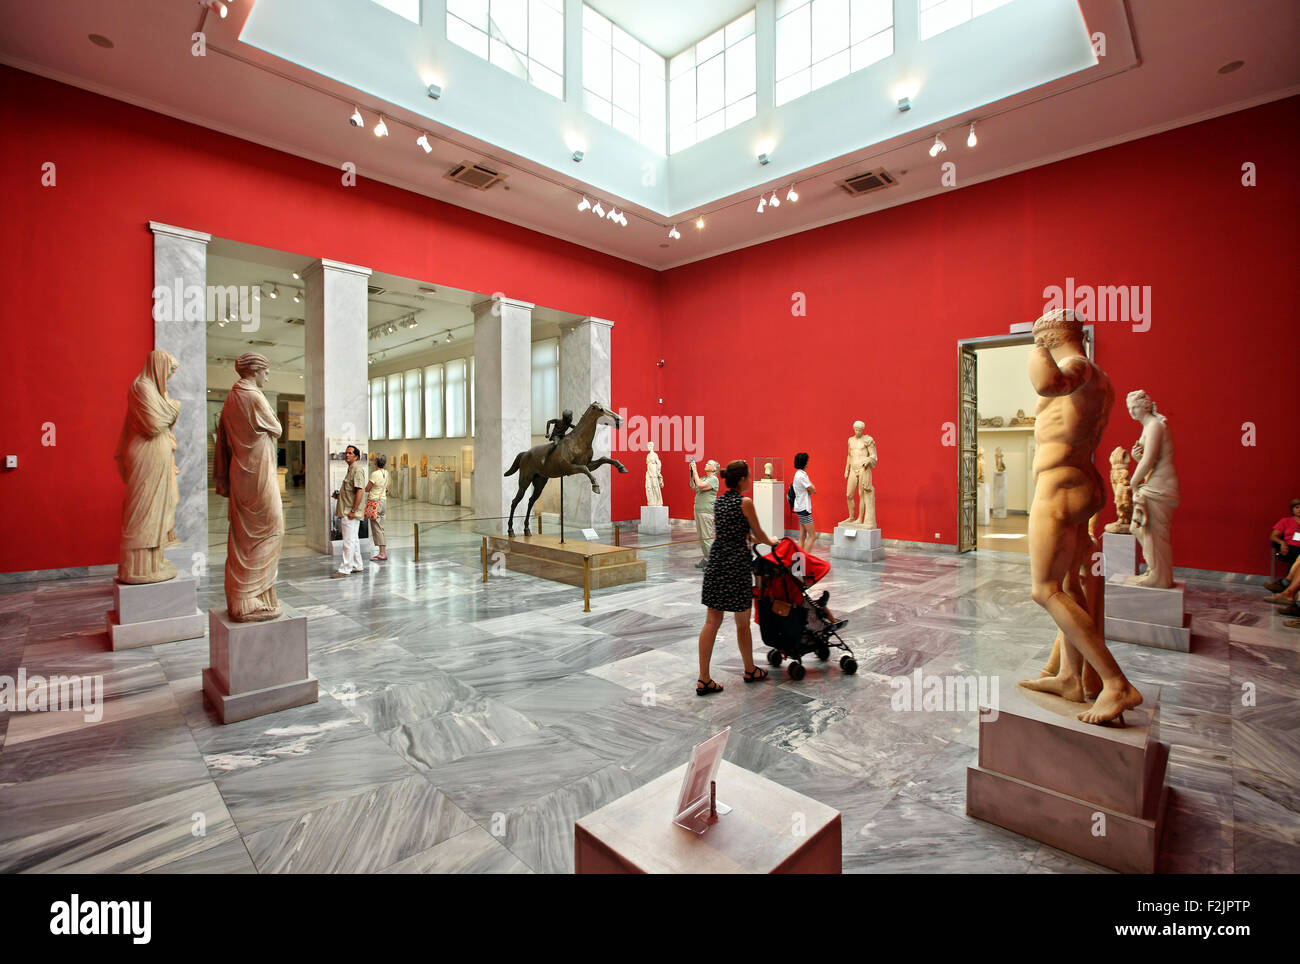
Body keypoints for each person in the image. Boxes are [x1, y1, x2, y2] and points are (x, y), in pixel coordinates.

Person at [1017, 310, 1143, 725]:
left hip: (1060, 486)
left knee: (1044, 589)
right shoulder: (1099, 376)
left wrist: (1035, 346)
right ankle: (1072, 677)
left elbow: (1046, 382)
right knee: (1069, 584)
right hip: (1081, 481)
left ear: (1051, 335)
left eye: (1041, 335)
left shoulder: (1075, 366)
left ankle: (1115, 683)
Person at [697, 460, 779, 695]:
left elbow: (732, 531)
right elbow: (758, 531)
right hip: (736, 565)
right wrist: (769, 541)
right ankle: (750, 669)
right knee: (742, 622)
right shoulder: (746, 502)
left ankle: (703, 678)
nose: (750, 479)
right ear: (742, 479)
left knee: (712, 621)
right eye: (749, 476)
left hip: (717, 562)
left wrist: (752, 539)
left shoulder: (720, 501)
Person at [331, 445, 367, 578]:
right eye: (346, 453)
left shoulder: (357, 469)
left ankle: (345, 568)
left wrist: (353, 510)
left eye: (350, 453)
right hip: (347, 509)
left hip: (350, 512)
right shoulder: (351, 469)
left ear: (356, 456)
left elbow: (360, 491)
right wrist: (339, 495)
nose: (347, 455)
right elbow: (350, 491)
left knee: (348, 541)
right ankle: (357, 565)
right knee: (354, 540)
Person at [689, 458, 719, 569]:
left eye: (709, 464)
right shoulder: (704, 478)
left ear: (714, 469)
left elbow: (701, 486)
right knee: (701, 537)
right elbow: (693, 485)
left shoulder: (714, 479)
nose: (706, 464)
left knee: (707, 537)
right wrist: (692, 472)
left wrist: (695, 470)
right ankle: (706, 558)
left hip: (706, 512)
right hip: (698, 510)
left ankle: (712, 562)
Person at [1267, 499, 1300, 585]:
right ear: (1292, 509)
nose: (1299, 509)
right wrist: (1282, 543)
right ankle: (1289, 584)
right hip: (1289, 547)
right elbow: (1273, 536)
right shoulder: (1285, 521)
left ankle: (1287, 583)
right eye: (1297, 507)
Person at [367, 453, 390, 562]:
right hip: (383, 501)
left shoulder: (374, 474)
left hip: (375, 501)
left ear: (376, 462)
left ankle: (382, 553)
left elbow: (367, 488)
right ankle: (382, 551)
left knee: (377, 527)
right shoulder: (386, 472)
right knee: (380, 526)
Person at [792, 452, 816, 553]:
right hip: (804, 509)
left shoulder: (798, 474)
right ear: (804, 463)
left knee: (802, 536)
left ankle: (799, 560)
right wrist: (811, 489)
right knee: (813, 536)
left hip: (800, 507)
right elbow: (813, 489)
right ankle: (804, 559)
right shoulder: (801, 476)